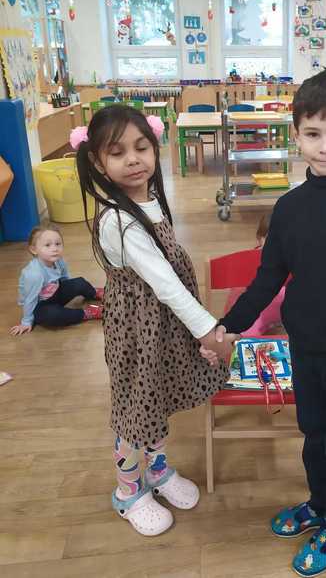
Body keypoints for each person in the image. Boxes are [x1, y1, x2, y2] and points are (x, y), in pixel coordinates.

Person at [204, 69, 326, 576]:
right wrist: (230, 324)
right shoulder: (289, 208)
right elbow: (267, 279)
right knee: (313, 434)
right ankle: (318, 502)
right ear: (296, 135)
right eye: (313, 133)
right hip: (304, 350)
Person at [74, 105, 236, 536]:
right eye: (117, 153)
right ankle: (128, 491)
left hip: (159, 327)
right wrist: (208, 331)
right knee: (135, 409)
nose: (133, 159)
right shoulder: (118, 220)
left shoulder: (149, 200)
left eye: (141, 147)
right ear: (98, 163)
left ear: (155, 148)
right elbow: (165, 284)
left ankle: (157, 470)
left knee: (156, 399)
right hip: (135, 332)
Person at [10, 224, 102, 335]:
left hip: (54, 293)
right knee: (53, 315)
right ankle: (86, 313)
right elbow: (30, 300)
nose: (54, 249)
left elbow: (64, 278)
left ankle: (94, 293)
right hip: (40, 305)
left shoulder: (58, 260)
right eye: (47, 245)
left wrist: (71, 288)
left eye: (58, 244)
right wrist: (26, 322)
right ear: (34, 250)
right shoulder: (34, 274)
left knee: (79, 282)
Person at [223, 212, 285, 337]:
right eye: (271, 239)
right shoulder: (250, 260)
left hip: (274, 308)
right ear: (260, 239)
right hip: (253, 309)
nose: (278, 245)